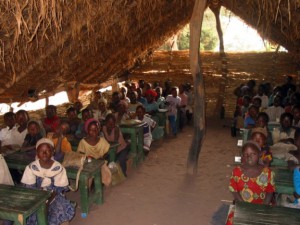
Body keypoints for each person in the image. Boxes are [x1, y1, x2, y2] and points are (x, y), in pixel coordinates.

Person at [21, 138, 75, 225]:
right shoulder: (31, 167)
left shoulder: (58, 168)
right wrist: (40, 203)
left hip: (54, 197)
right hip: (36, 198)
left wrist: (47, 202)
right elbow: (30, 189)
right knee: (31, 215)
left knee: (60, 213)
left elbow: (57, 190)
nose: (44, 153)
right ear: (37, 153)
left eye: (47, 150)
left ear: (53, 152)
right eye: (41, 151)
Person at [226, 141, 275, 225]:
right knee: (232, 221)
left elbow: (270, 192)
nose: (249, 157)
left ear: (260, 154)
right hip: (243, 205)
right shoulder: (236, 172)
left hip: (263, 206)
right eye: (246, 154)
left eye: (253, 154)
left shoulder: (268, 172)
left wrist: (262, 208)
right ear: (242, 156)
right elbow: (234, 191)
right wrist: (245, 207)